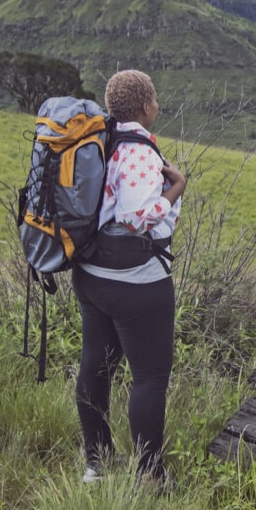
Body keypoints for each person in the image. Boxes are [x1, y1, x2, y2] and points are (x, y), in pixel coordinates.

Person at [73, 69, 188, 484]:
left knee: (95, 366)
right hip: (134, 280)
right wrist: (176, 187)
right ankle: (150, 476)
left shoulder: (102, 142)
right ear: (144, 106)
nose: (157, 104)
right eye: (154, 98)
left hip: (91, 274)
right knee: (150, 378)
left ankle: (97, 464)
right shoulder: (138, 151)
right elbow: (135, 216)